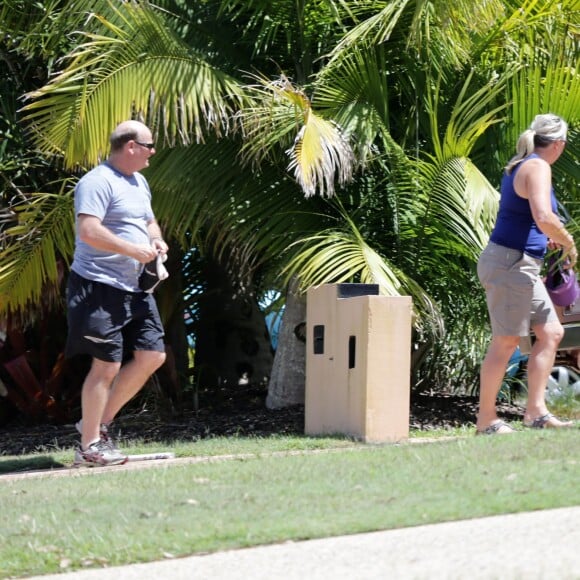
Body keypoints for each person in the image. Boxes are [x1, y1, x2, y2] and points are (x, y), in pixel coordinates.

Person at [66, 120, 169, 465]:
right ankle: (90, 446)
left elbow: (148, 220)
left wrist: (155, 240)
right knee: (106, 364)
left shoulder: (138, 181)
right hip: (98, 285)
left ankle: (96, 424)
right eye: (149, 145)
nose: (153, 152)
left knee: (152, 356)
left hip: (135, 287)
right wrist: (132, 250)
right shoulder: (96, 182)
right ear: (131, 146)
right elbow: (88, 231)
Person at [476, 113, 575, 434]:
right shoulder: (537, 166)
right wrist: (568, 241)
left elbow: (531, 218)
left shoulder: (526, 165)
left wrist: (548, 238)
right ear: (558, 145)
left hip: (521, 265)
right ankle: (486, 421)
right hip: (511, 264)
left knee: (551, 333)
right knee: (506, 342)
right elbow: (543, 215)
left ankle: (536, 413)